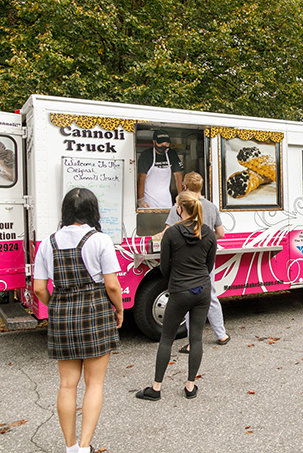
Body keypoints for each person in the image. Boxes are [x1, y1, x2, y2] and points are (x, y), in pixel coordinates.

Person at [33, 188, 123, 453]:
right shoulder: (100, 240)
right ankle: (85, 446)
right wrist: (119, 310)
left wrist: (57, 308)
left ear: (66, 211)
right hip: (95, 312)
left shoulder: (48, 242)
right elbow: (113, 286)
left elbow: (39, 288)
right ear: (92, 211)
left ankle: (70, 446)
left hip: (62, 314)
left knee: (67, 384)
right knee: (94, 383)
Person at [136, 190, 217, 401]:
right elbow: (208, 266)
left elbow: (164, 266)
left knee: (167, 339)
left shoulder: (171, 233)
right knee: (196, 338)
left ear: (180, 209)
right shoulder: (208, 233)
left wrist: (177, 280)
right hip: (202, 290)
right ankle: (190, 386)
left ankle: (156, 388)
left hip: (179, 290)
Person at [161, 171, 229, 352]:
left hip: (183, 261)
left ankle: (193, 342)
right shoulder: (211, 207)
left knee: (190, 300)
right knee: (210, 295)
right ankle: (221, 334)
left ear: (184, 187)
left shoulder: (181, 205)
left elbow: (166, 233)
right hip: (205, 258)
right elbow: (221, 233)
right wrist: (206, 240)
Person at [137, 129, 183, 209]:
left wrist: (181, 198)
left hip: (166, 201)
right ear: (154, 142)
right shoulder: (146, 155)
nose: (163, 145)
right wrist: (140, 200)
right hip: (148, 201)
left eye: (166, 143)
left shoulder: (172, 154)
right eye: (160, 142)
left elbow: (178, 177)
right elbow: (141, 178)